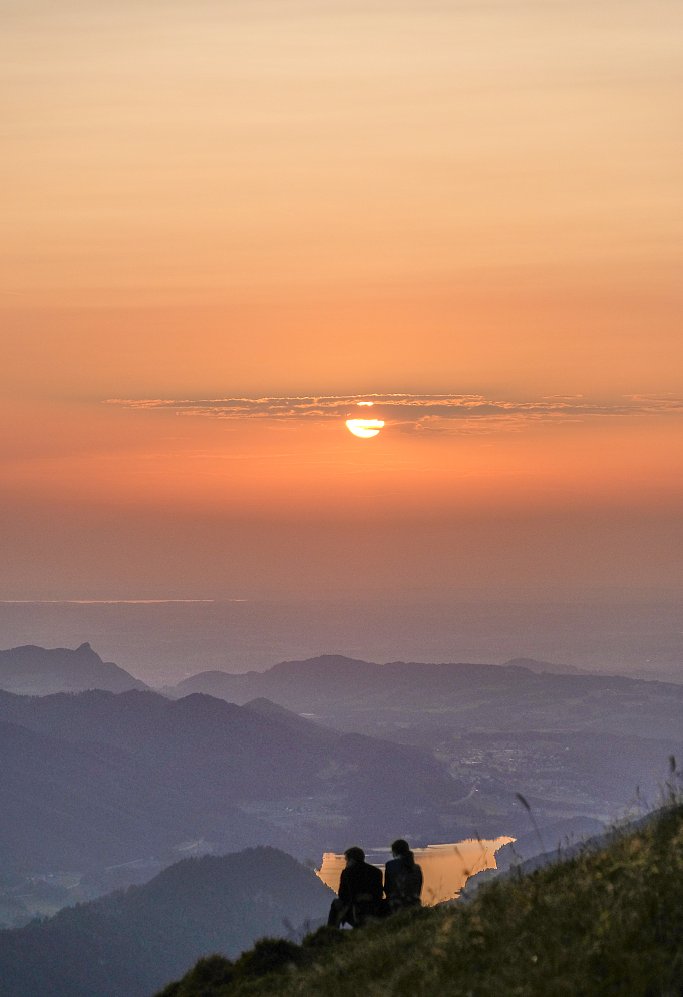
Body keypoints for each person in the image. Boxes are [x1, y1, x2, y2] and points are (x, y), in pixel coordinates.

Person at [327, 846, 384, 928]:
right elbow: (379, 894)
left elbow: (342, 895)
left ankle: (331, 931)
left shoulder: (347, 872)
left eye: (346, 860)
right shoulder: (376, 872)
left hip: (356, 909)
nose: (346, 863)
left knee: (336, 903)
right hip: (374, 909)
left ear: (351, 859)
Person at [383, 838, 423, 912]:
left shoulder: (391, 865)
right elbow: (419, 888)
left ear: (395, 852)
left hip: (396, 905)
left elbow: (387, 887)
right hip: (414, 904)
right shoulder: (417, 868)